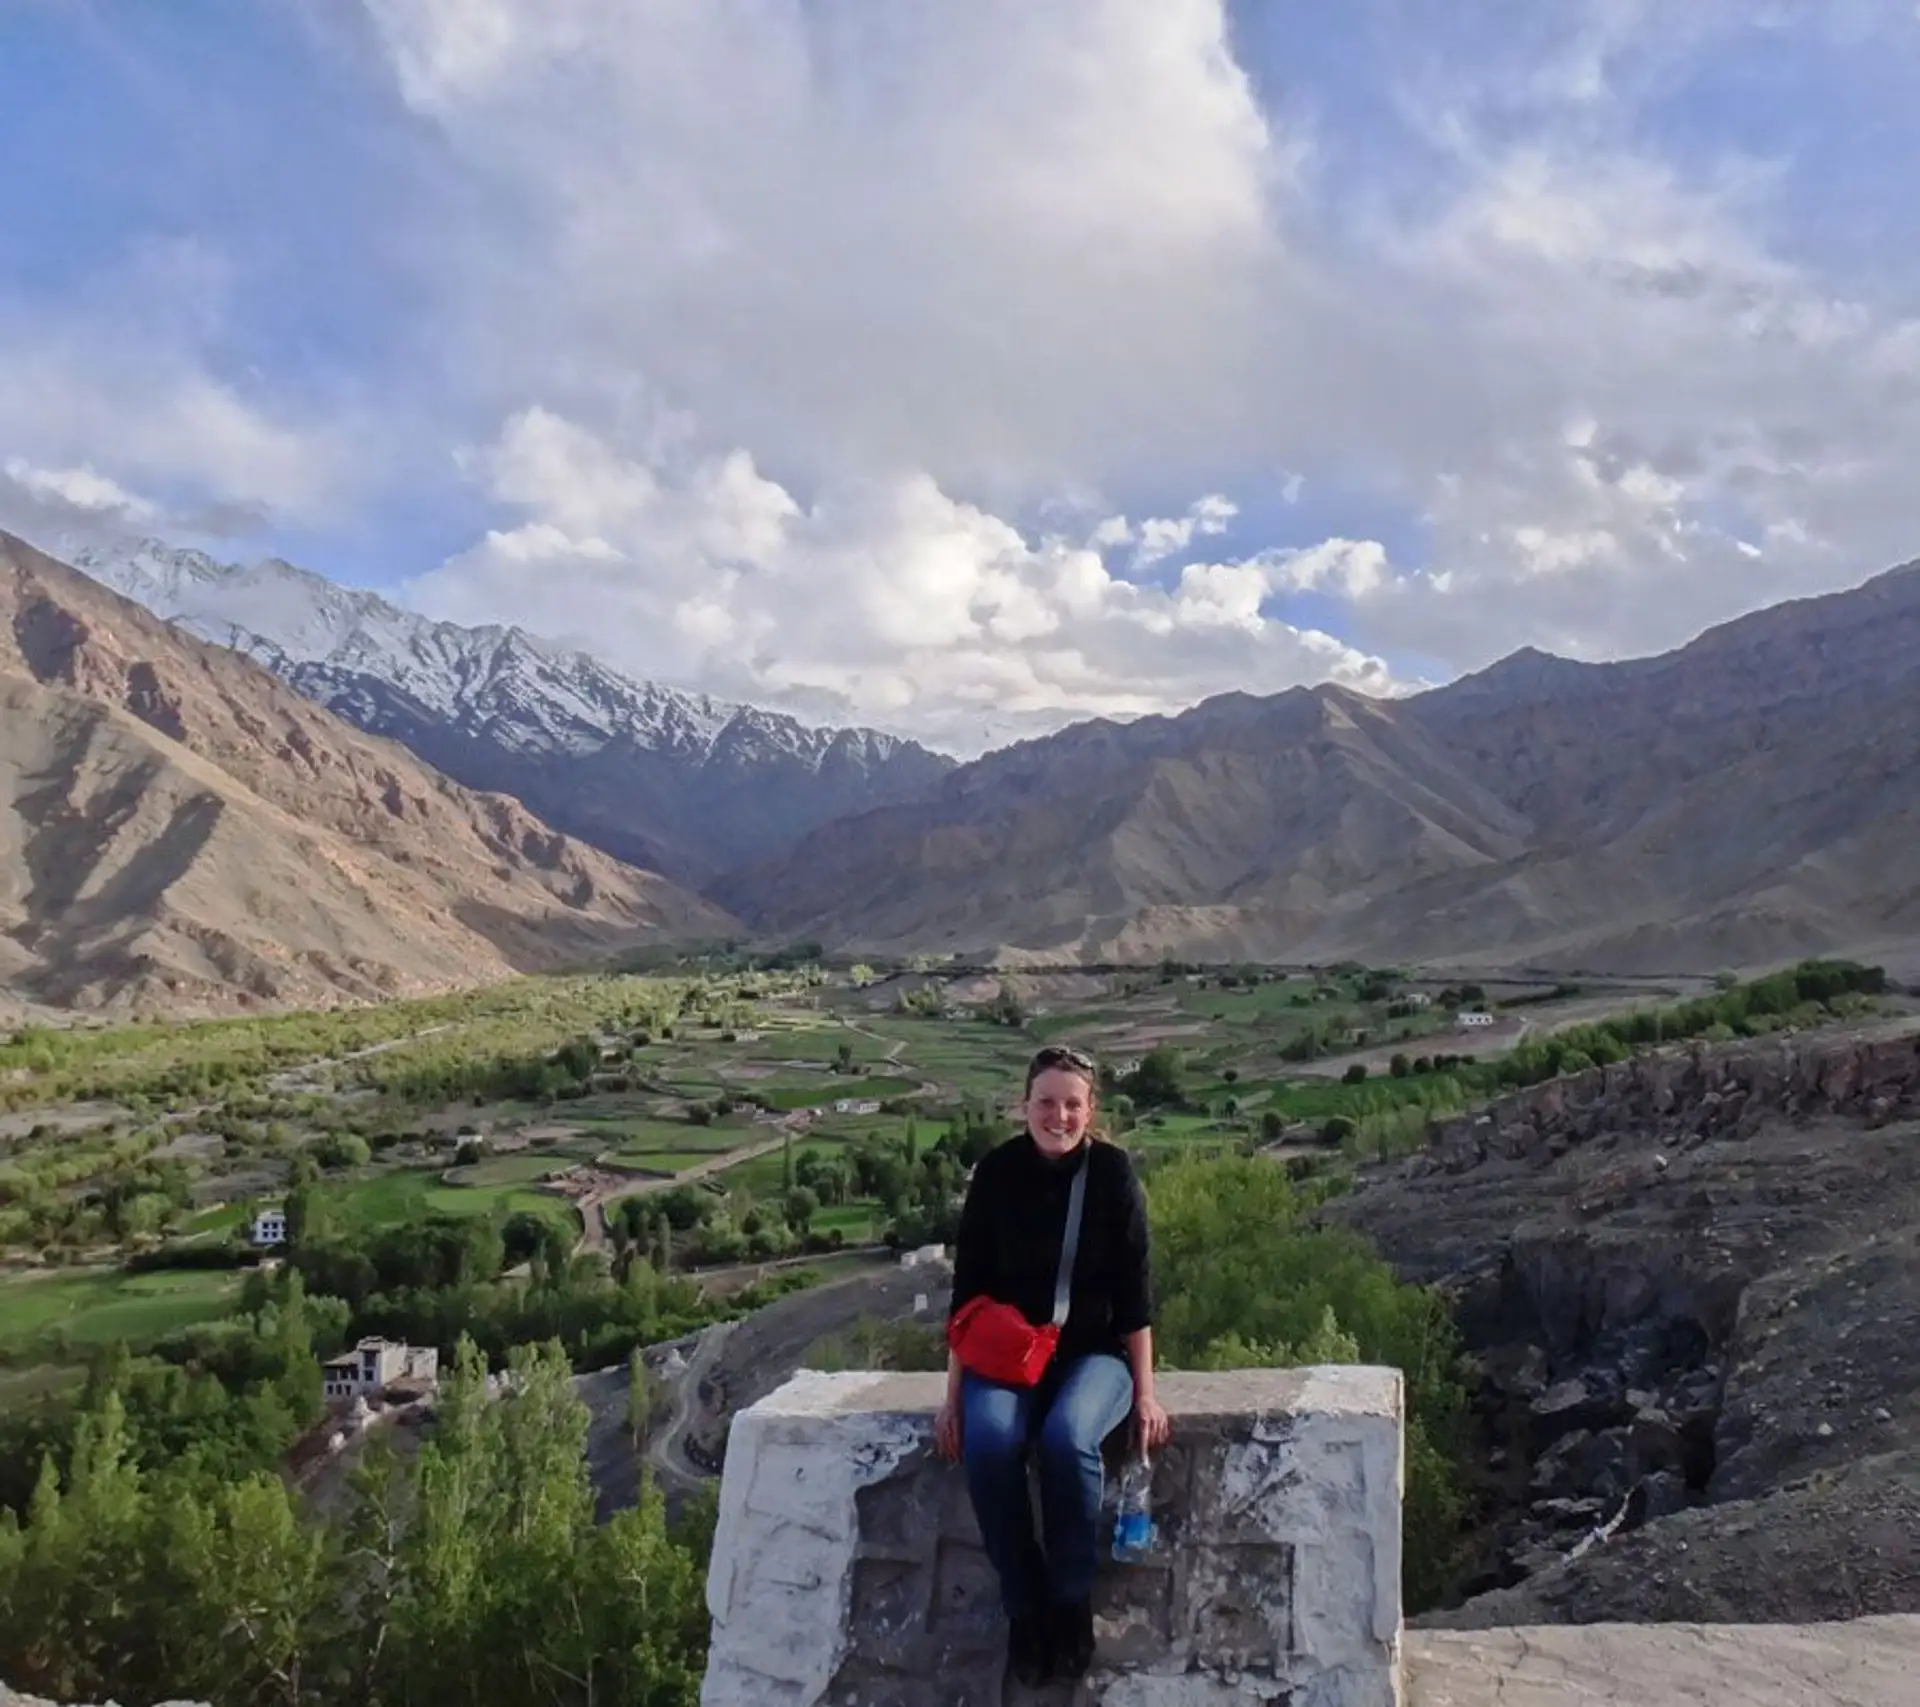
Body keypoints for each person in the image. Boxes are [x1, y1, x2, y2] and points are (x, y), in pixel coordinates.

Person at [933, 1043, 1171, 1687]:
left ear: (1090, 1111)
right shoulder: (996, 1174)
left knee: (1068, 1440)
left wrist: (1146, 1394)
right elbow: (968, 1296)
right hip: (1009, 1360)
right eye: (1046, 1102)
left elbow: (1135, 1296)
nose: (1058, 1115)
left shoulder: (1115, 1176)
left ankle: (1069, 1603)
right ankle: (1024, 1607)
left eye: (1072, 1104)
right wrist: (952, 1398)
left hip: (1095, 1356)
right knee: (988, 1444)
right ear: (1024, 1106)